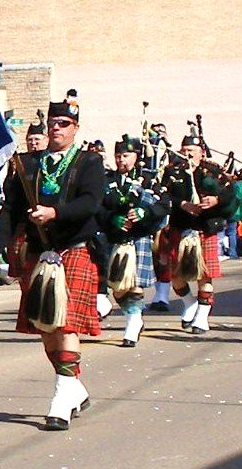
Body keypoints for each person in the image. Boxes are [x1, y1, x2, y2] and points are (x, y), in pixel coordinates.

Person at [0, 90, 105, 431]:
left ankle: (60, 400)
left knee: (66, 324)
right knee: (45, 327)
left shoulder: (89, 162)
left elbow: (91, 202)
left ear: (75, 128)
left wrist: (55, 213)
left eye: (64, 123)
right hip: (39, 254)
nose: (57, 128)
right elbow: (11, 210)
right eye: (54, 123)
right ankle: (74, 387)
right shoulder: (27, 165)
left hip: (75, 249)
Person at [157, 134, 234, 335]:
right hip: (180, 228)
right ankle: (189, 303)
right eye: (184, 150)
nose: (187, 154)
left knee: (204, 275)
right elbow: (163, 195)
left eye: (191, 150)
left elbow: (230, 194)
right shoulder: (172, 171)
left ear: (201, 152)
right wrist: (183, 204)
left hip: (204, 230)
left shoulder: (213, 171)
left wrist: (216, 200)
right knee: (175, 275)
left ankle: (202, 317)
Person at [98, 136, 171, 348]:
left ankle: (133, 322)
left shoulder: (149, 180)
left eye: (126, 155)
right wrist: (112, 218)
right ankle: (132, 315)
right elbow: (98, 207)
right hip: (115, 237)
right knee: (119, 288)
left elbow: (164, 205)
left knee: (135, 285)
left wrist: (145, 212)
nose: (121, 160)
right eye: (118, 155)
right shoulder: (106, 180)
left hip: (139, 237)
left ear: (136, 156)